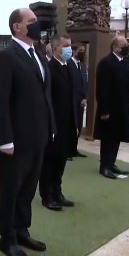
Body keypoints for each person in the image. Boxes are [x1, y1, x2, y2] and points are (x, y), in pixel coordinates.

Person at [0, 8, 56, 256]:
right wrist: (5, 139)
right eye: (31, 22)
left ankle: (21, 230)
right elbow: (1, 101)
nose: (36, 25)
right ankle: (7, 238)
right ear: (17, 27)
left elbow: (44, 96)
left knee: (28, 189)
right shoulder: (7, 57)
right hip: (15, 141)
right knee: (10, 190)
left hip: (38, 137)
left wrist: (50, 129)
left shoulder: (38, 55)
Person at [39, 35, 77, 211]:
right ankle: (47, 196)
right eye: (65, 46)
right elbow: (46, 100)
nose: (69, 49)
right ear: (55, 49)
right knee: (50, 161)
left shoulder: (69, 66)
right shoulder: (49, 68)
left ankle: (57, 192)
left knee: (61, 160)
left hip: (67, 122)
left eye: (70, 46)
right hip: (53, 124)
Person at [93, 36, 129, 179]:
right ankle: (104, 165)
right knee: (108, 137)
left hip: (122, 107)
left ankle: (112, 163)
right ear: (115, 47)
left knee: (117, 137)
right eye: (124, 45)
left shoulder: (126, 62)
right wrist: (104, 110)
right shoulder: (106, 63)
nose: (126, 47)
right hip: (109, 109)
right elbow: (102, 88)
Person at [68, 42, 88, 158]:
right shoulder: (68, 64)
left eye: (83, 50)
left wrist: (85, 98)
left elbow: (85, 82)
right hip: (71, 100)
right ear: (74, 51)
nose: (82, 53)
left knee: (79, 125)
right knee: (71, 125)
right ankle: (68, 150)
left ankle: (74, 149)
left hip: (81, 101)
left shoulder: (83, 65)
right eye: (80, 50)